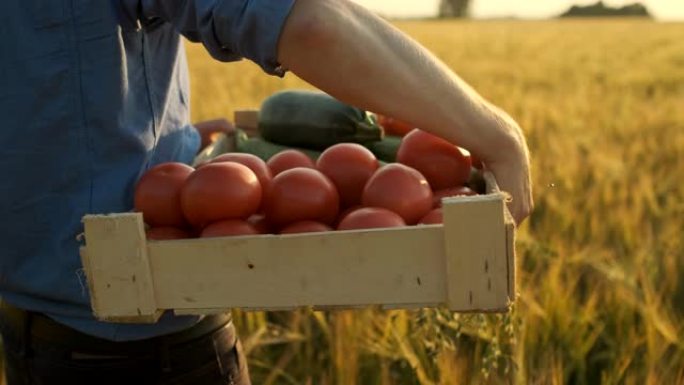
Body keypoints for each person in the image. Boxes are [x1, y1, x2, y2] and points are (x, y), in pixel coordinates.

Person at [0, 0, 533, 383]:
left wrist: (168, 146)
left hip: (27, 330)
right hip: (149, 352)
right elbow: (310, 23)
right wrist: (498, 138)